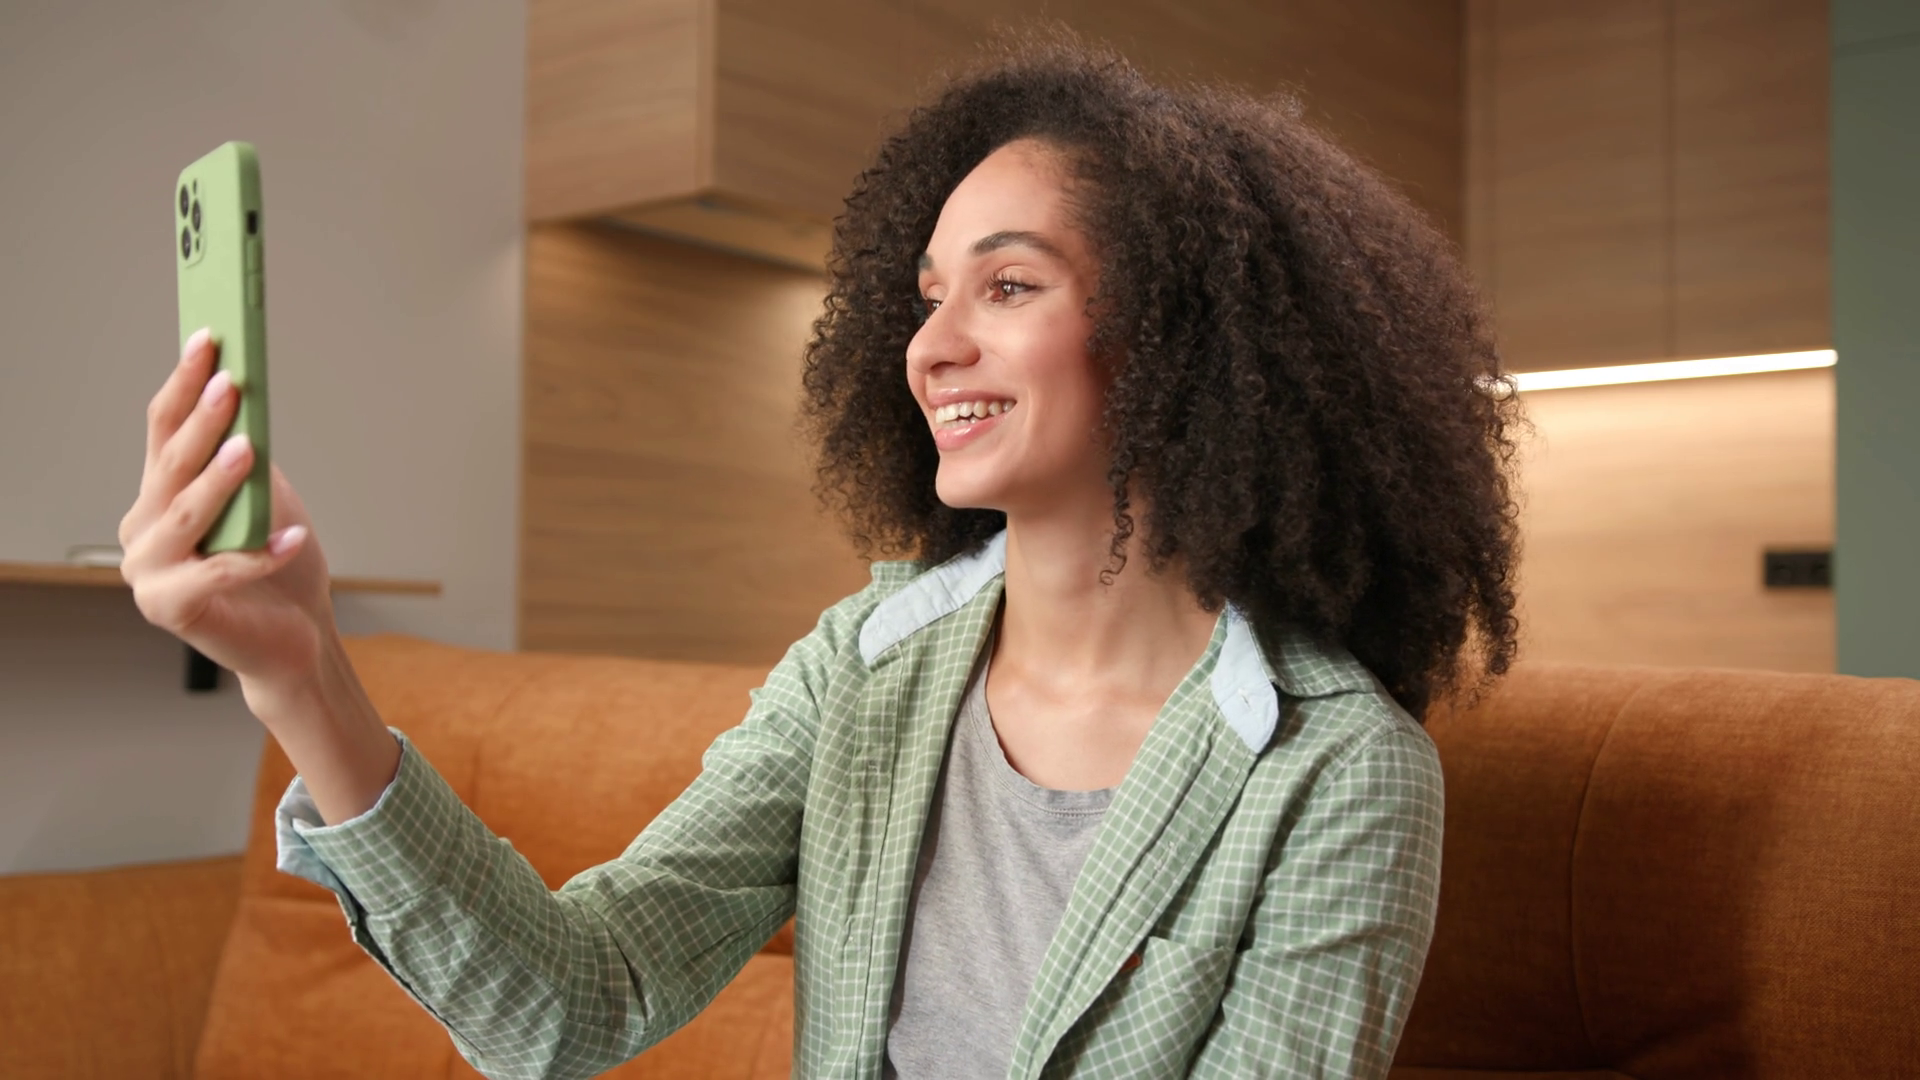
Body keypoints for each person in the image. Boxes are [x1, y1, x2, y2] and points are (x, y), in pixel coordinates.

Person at [119, 31, 1523, 1080]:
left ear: (1179, 338)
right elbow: (571, 1002)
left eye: (1009, 285)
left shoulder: (1337, 770)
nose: (931, 346)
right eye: (926, 297)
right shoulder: (860, 669)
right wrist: (300, 671)